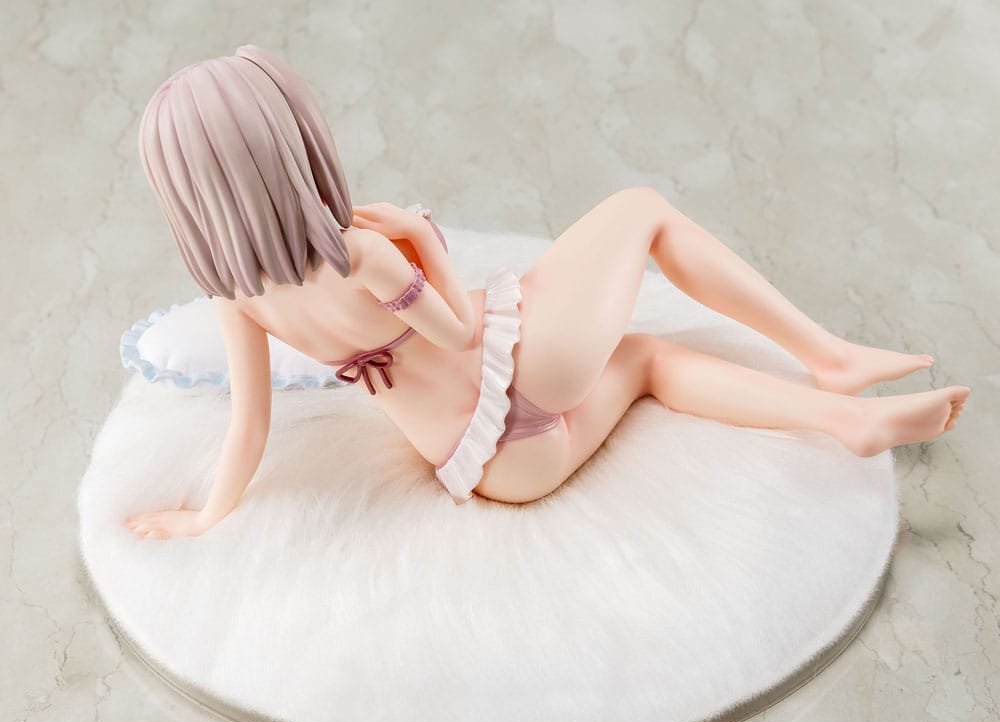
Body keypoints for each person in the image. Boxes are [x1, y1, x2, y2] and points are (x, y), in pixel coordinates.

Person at [123, 44, 970, 539]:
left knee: (647, 360)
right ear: (288, 146)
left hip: (499, 467)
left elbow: (250, 425)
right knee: (641, 209)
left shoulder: (239, 298)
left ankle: (845, 420)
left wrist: (204, 518)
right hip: (525, 369)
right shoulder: (358, 252)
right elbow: (458, 333)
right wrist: (423, 239)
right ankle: (829, 359)